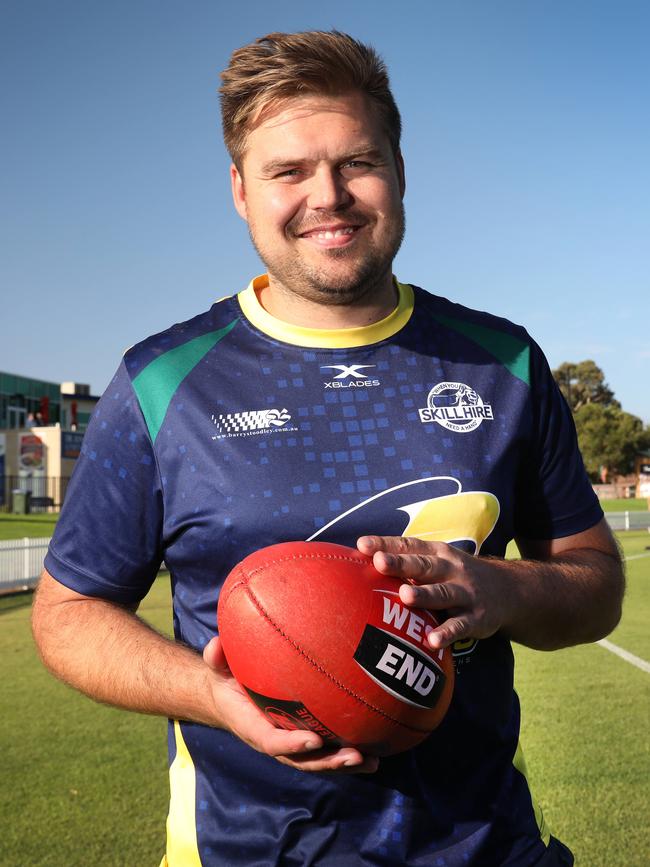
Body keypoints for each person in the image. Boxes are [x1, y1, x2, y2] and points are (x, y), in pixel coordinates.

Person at [32, 30, 624, 866]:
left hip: (484, 843)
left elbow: (594, 587)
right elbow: (68, 612)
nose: (330, 196)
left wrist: (502, 585)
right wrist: (212, 694)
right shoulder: (163, 382)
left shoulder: (503, 362)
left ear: (400, 169)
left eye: (357, 162)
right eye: (289, 171)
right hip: (245, 850)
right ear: (241, 189)